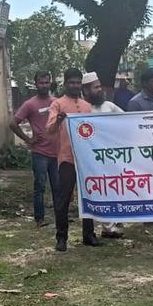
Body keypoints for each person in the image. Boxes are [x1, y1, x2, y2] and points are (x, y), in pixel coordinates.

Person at [46, 68, 96, 251]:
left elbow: (93, 131)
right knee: (63, 199)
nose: (74, 86)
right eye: (71, 82)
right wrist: (59, 120)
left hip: (85, 159)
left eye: (77, 83)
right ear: (65, 84)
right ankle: (61, 238)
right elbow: (49, 129)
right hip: (66, 158)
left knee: (88, 197)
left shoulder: (86, 106)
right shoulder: (57, 104)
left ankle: (89, 235)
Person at [10, 68, 60, 227]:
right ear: (36, 84)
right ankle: (40, 219)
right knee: (40, 186)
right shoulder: (30, 104)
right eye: (41, 82)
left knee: (58, 186)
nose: (44, 85)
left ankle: (61, 216)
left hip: (56, 152)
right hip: (40, 153)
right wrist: (28, 139)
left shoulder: (56, 102)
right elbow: (13, 123)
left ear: (50, 82)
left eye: (47, 82)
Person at [82, 72, 125, 239]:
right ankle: (106, 227)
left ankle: (112, 224)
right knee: (98, 190)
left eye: (100, 86)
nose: (100, 90)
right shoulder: (83, 109)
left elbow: (128, 121)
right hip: (92, 159)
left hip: (112, 156)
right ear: (86, 91)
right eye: (96, 87)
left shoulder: (109, 106)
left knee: (114, 188)